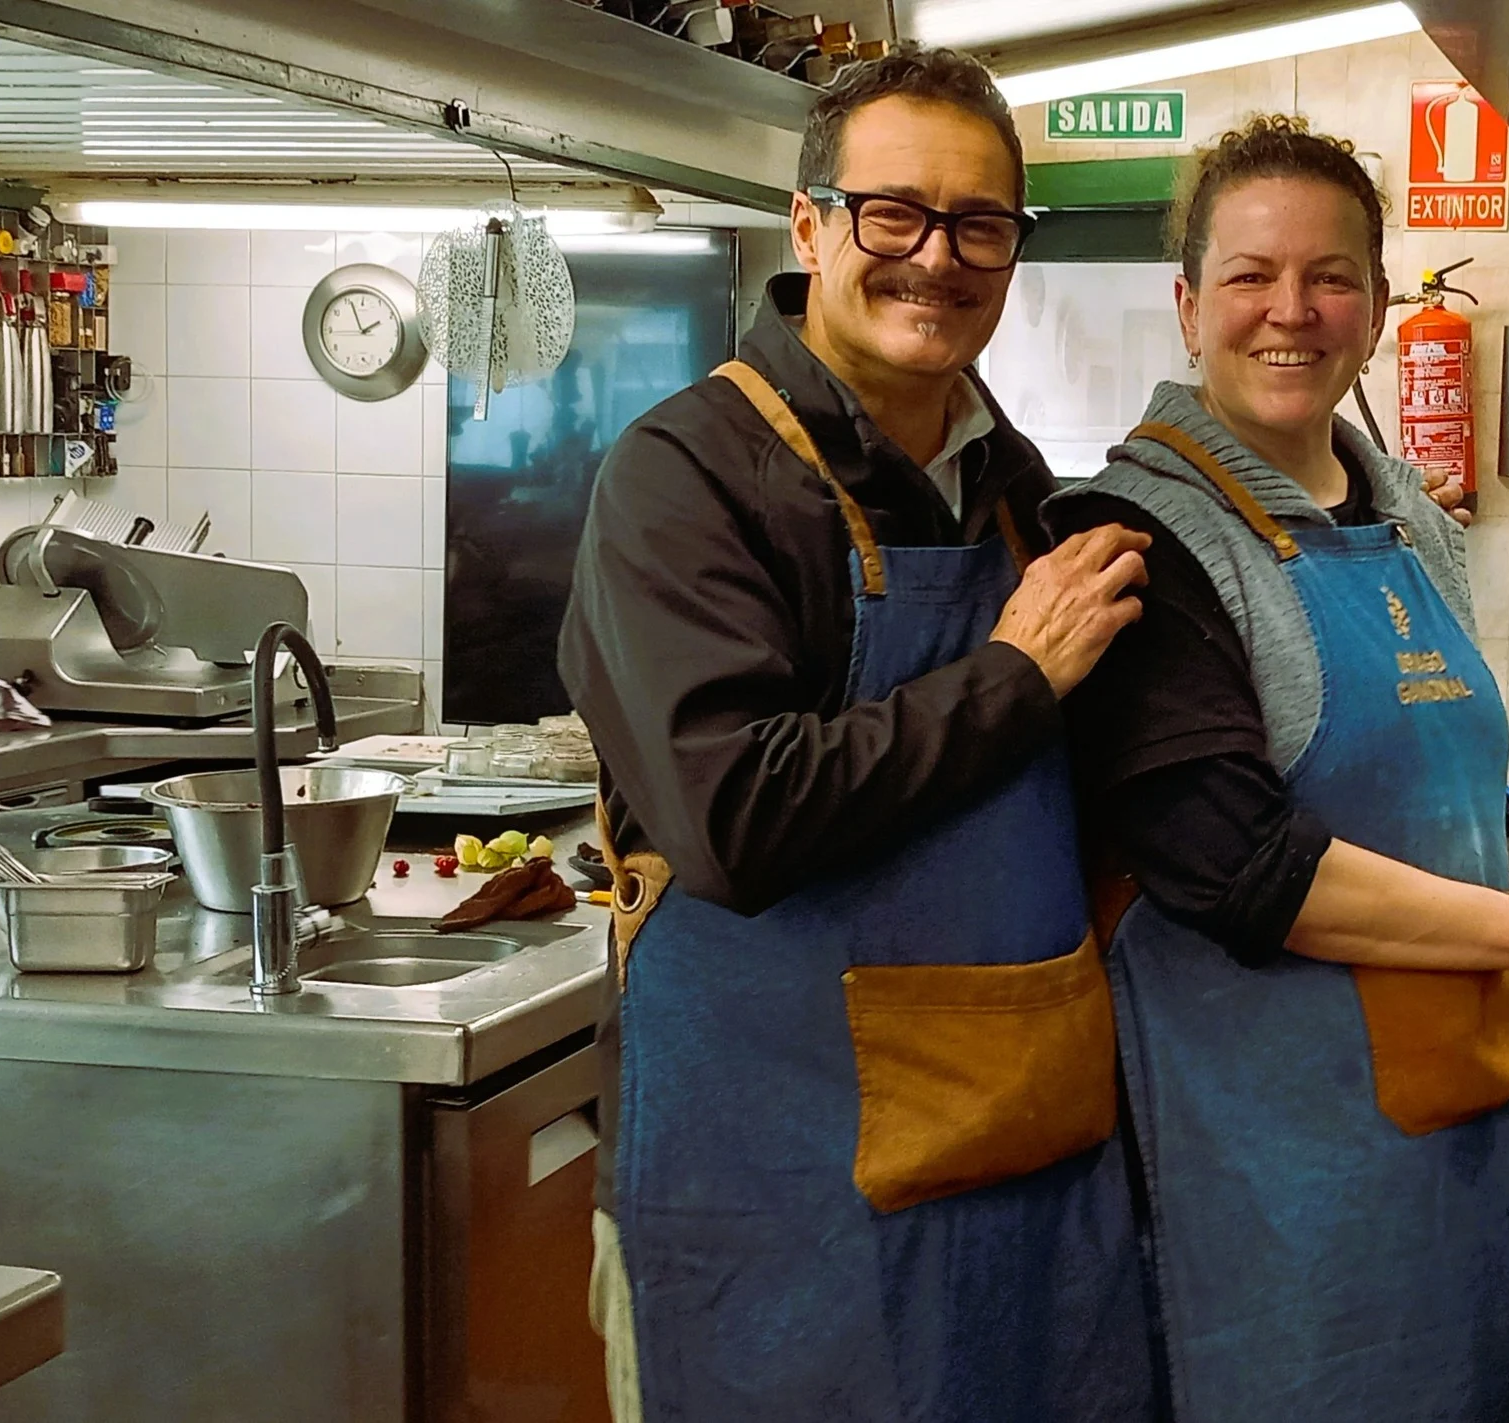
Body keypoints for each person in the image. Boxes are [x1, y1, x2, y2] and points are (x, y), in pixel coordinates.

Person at [1045, 115, 1509, 1423]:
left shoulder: (1406, 518)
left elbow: (1437, 799)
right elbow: (1239, 867)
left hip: (1462, 1149)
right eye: (1252, 276)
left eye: (1329, 277)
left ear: (1376, 308)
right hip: (1279, 1179)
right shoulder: (1143, 540)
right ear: (1188, 303)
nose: (1292, 311)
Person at [558, 45, 1158, 1423]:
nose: (935, 258)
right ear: (813, 225)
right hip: (767, 1193)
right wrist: (1012, 676)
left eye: (981, 226)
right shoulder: (685, 476)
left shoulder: (1017, 492)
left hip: (1014, 1171)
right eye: (895, 213)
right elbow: (735, 819)